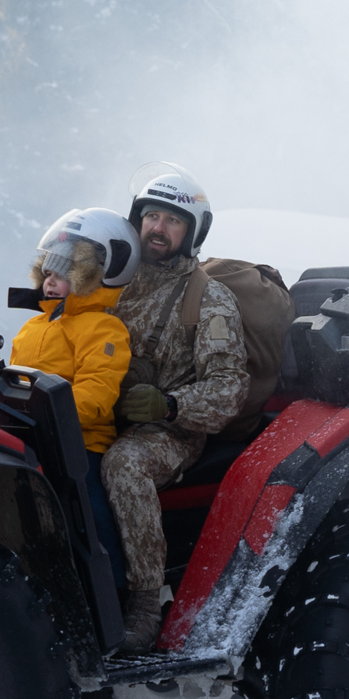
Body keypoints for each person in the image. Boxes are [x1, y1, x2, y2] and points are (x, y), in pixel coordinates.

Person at [102, 162, 262, 650]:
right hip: (100, 411)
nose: (158, 228)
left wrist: (169, 405)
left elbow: (229, 388)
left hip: (170, 432)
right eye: (152, 216)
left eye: (173, 220)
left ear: (192, 233)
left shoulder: (208, 299)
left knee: (125, 464)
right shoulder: (111, 281)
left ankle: (145, 602)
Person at [10, 208, 137, 591]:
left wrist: (49, 415)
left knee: (90, 514)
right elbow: (9, 382)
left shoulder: (104, 327)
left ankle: (113, 590)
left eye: (65, 273)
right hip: (31, 437)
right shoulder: (31, 327)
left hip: (80, 445)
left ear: (92, 277)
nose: (51, 281)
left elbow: (97, 390)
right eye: (48, 272)